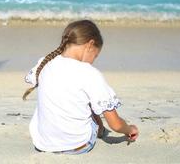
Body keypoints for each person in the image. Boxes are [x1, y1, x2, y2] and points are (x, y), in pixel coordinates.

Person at [23, 19, 139, 154]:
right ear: (90, 45)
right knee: (91, 100)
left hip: (43, 144)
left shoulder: (45, 62)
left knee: (72, 94)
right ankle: (100, 130)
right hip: (77, 145)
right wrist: (130, 129)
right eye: (95, 56)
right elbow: (115, 125)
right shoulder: (89, 73)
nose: (93, 60)